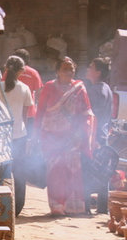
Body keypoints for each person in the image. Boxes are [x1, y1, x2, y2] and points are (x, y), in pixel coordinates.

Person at [34, 56, 95, 216]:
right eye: (65, 69)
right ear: (58, 71)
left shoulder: (79, 88)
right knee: (54, 171)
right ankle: (57, 207)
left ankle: (72, 207)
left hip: (72, 137)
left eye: (71, 68)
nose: (69, 72)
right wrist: (36, 134)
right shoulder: (48, 87)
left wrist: (83, 134)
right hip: (51, 137)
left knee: (72, 171)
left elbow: (86, 112)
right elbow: (40, 111)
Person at [0, 55, 33, 215]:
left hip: (0, 135)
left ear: (6, 69)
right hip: (19, 134)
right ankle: (17, 207)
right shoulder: (25, 89)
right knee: (19, 171)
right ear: (21, 71)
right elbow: (25, 116)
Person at [83, 57, 114, 213]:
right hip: (102, 134)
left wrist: (92, 139)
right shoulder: (106, 88)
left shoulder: (97, 90)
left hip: (95, 136)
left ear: (98, 72)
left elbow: (93, 116)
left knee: (90, 170)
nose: (88, 69)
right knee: (102, 171)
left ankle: (87, 207)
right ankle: (102, 207)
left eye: (91, 67)